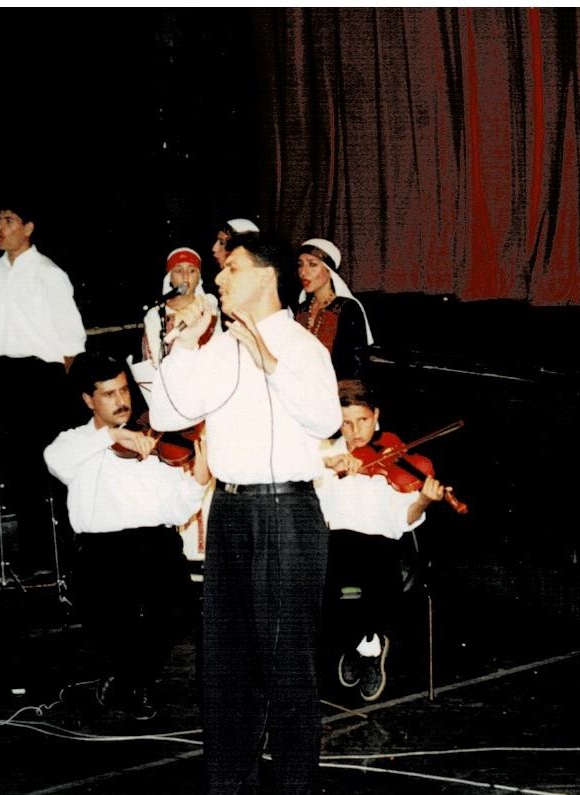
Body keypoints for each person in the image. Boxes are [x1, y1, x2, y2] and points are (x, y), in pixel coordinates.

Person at [148, 232, 341, 795]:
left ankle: (296, 787)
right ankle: (230, 785)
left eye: (231, 268)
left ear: (265, 276)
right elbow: (165, 413)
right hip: (231, 510)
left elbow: (326, 420)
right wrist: (184, 346)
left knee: (285, 664)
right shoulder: (220, 345)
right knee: (226, 664)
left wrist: (270, 363)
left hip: (285, 512)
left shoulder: (301, 345)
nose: (219, 278)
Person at [44, 351, 209, 720]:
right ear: (88, 400)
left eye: (124, 390)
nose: (121, 400)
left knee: (176, 610)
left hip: (155, 543)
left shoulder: (154, 440)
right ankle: (131, 680)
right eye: (109, 394)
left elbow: (176, 511)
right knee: (116, 622)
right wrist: (111, 435)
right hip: (102, 551)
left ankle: (129, 682)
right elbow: (55, 461)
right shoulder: (75, 443)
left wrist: (197, 481)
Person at [316, 379, 448, 702]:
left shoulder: (394, 456)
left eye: (362, 420)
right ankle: (368, 644)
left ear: (376, 416)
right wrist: (326, 464)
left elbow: (403, 520)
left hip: (383, 551)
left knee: (361, 570)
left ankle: (357, 642)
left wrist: (423, 501)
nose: (355, 431)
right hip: (334, 550)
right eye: (346, 423)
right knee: (327, 572)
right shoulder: (324, 454)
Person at [0, 204, 86, 583]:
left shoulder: (48, 273)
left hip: (43, 378)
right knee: (20, 471)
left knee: (54, 469)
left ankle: (73, 553)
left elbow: (72, 340)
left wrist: (65, 391)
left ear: (28, 228)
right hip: (5, 375)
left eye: (8, 221)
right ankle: (36, 555)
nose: (0, 227)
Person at [295, 238, 374, 380]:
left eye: (312, 264)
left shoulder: (348, 308)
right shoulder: (301, 309)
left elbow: (356, 367)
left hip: (335, 387)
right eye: (300, 265)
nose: (303, 272)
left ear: (329, 270)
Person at [141, 246, 221, 367]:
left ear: (199, 278)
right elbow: (154, 361)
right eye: (178, 271)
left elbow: (219, 346)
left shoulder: (208, 304)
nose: (185, 276)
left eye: (192, 271)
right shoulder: (156, 314)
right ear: (170, 278)